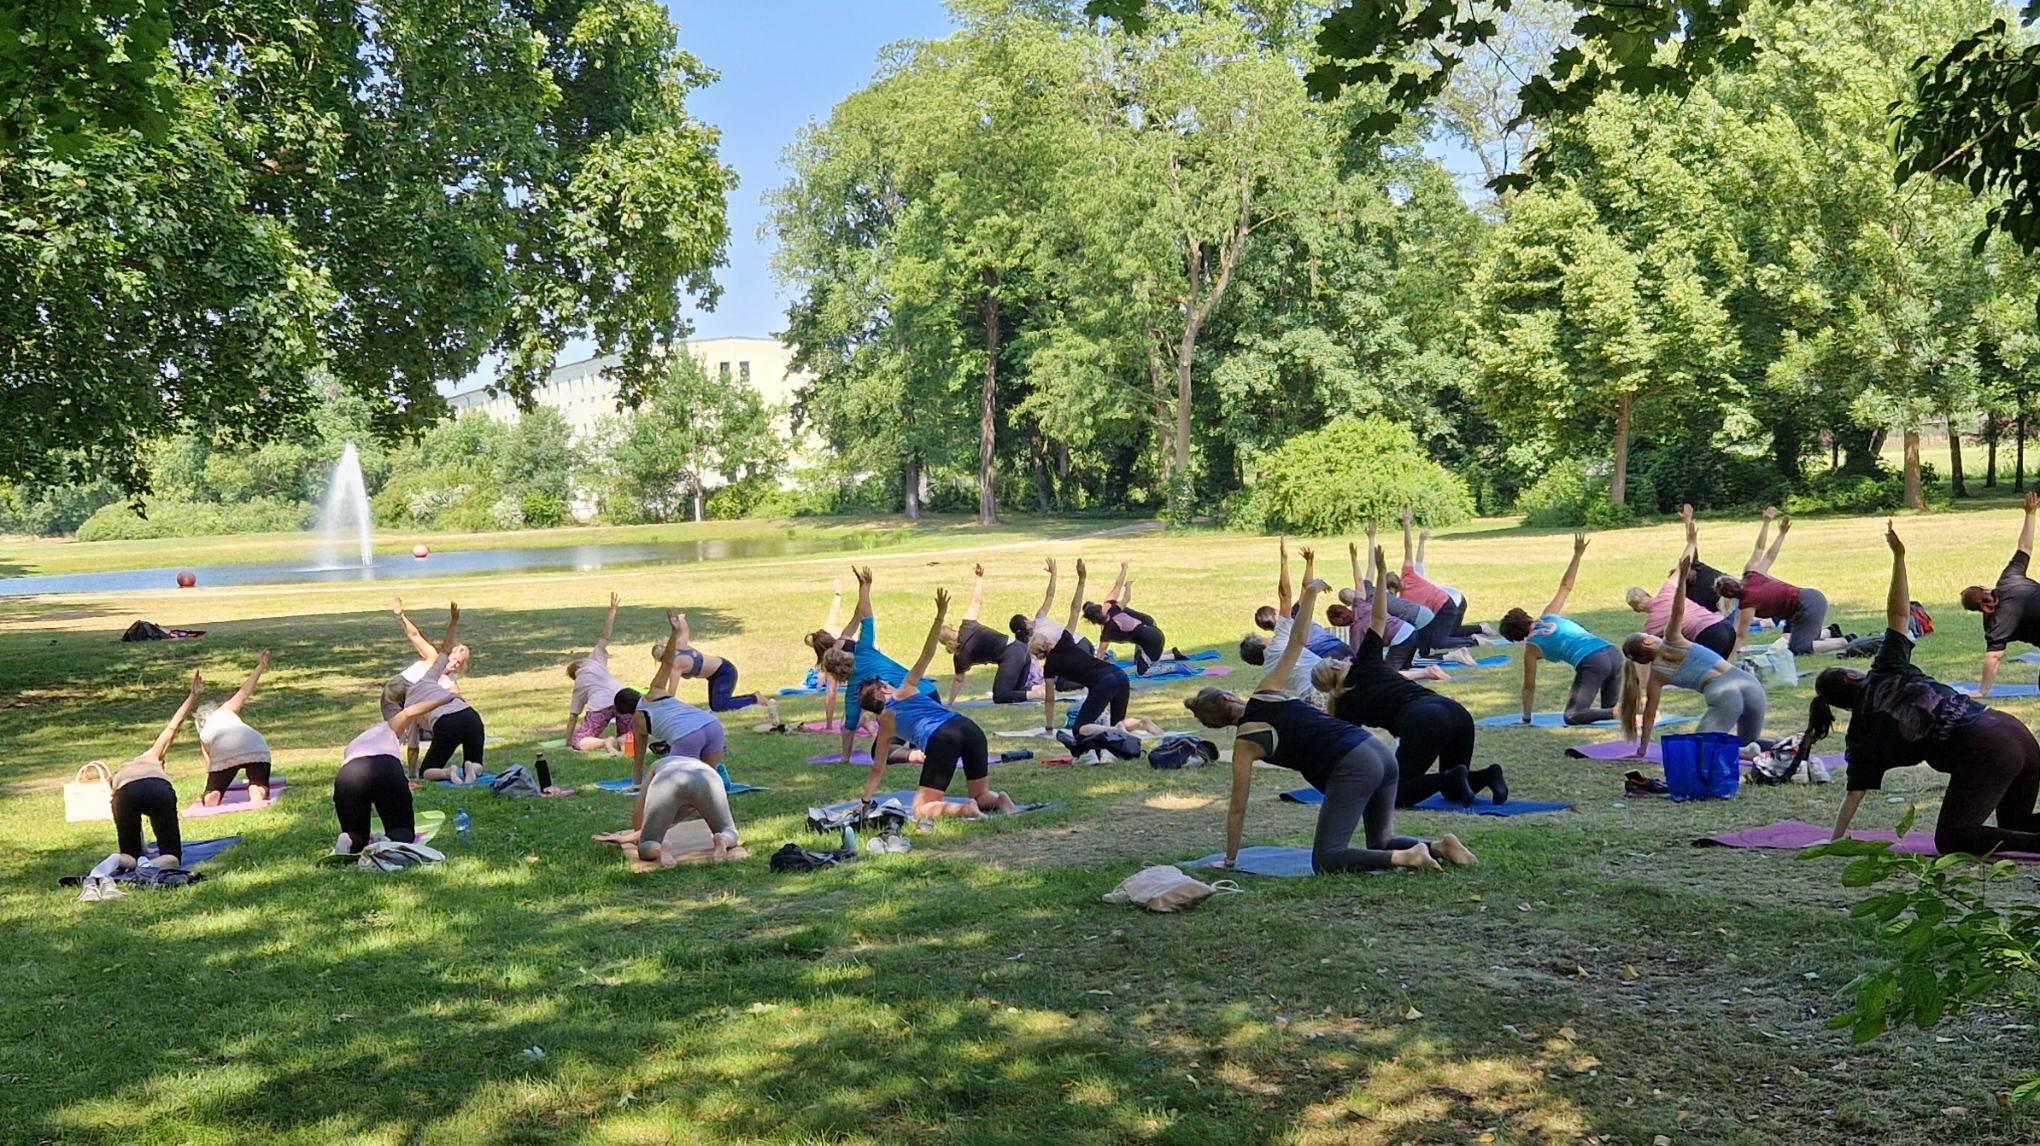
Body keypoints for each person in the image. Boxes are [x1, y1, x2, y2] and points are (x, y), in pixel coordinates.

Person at [1184, 576, 1477, 875]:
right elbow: (1297, 642)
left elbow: (1237, 808)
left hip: (1354, 765)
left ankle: (1409, 857)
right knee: (1381, 840)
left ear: (1220, 724)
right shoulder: (1267, 691)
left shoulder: (1244, 746)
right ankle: (1439, 847)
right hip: (1380, 753)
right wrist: (1310, 594)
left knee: (1326, 859)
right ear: (1229, 696)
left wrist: (1231, 859)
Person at [1808, 522, 2040, 857]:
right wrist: (1899, 557)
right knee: (2014, 821)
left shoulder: (1862, 735)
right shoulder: (1887, 666)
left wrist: (1835, 839)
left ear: (1843, 707)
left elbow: (1854, 794)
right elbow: (1899, 613)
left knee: (1953, 839)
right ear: (1855, 677)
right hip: (2015, 732)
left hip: (1990, 749)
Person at [1314, 545, 1505, 807]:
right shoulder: (1366, 661)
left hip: (1426, 721)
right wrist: (1381, 573)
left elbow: (1351, 749)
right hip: (1455, 711)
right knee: (1452, 791)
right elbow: (1379, 617)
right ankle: (1487, 775)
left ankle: (1452, 778)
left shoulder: (1345, 704)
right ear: (1335, 669)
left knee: (1392, 794)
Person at [858, 587, 1017, 821]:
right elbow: (927, 654)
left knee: (922, 808)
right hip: (968, 727)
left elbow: (877, 769)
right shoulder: (906, 689)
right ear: (884, 690)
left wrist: (865, 802)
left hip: (942, 738)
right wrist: (940, 616)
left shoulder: (885, 725)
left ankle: (966, 810)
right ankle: (999, 800)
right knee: (981, 793)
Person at [1619, 554, 1769, 758]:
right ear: (1647, 642)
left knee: (1702, 749)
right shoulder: (1672, 640)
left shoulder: (1657, 676)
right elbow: (1677, 610)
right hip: (1751, 686)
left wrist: (1643, 748)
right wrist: (1680, 581)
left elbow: (1649, 715)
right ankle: (1784, 747)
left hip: (1726, 694)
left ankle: (1742, 752)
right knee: (1753, 742)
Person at [1499, 532, 1622, 726]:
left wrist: (1526, 718)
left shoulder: (1531, 648)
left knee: (1573, 715)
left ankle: (1627, 710)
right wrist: (1577, 554)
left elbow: (1529, 686)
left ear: (1517, 637)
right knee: (1609, 711)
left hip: (1592, 660)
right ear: (1526, 617)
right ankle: (1637, 709)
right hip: (1612, 653)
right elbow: (1566, 586)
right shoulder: (1549, 614)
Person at [822, 566, 941, 765]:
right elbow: (867, 615)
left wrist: (845, 758)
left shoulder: (854, 691)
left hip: (911, 709)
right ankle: (922, 748)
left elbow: (849, 728)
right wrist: (865, 587)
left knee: (881, 751)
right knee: (919, 741)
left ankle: (917, 752)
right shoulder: (865, 648)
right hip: (930, 694)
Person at [1030, 559, 1151, 737]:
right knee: (1119, 729)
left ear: (1040, 656)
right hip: (1120, 675)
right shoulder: (1065, 640)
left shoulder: (1050, 667)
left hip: (1104, 683)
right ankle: (1144, 724)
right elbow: (1075, 610)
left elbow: (1050, 700)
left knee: (1080, 730)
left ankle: (1115, 729)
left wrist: (1049, 728)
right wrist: (1081, 580)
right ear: (1047, 643)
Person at [1715, 506, 1850, 657]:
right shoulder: (1752, 574)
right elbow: (1763, 552)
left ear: (1729, 597)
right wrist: (1776, 529)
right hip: (1807, 600)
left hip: (1807, 606)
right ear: (1735, 580)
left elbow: (1740, 635)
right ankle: (1831, 632)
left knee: (1798, 648)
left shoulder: (1747, 604)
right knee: (1788, 639)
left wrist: (1728, 659)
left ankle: (1846, 642)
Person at [335, 692, 459, 855]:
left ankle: (347, 839)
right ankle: (388, 841)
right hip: (385, 768)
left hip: (348, 775)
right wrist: (444, 699)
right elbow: (409, 712)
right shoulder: (388, 728)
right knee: (401, 829)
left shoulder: (356, 742)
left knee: (357, 833)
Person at [108, 671, 204, 872]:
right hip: (158, 790)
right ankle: (149, 866)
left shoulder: (118, 775)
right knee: (172, 858)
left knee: (129, 855)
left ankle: (120, 862)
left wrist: (138, 848)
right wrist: (193, 696)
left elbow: (126, 820)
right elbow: (173, 727)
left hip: (125, 793)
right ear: (163, 764)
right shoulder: (153, 756)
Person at [1625, 505, 1737, 658]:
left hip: (1711, 630)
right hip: (1724, 625)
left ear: (1636, 610)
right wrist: (1691, 538)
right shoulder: (1670, 591)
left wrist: (1689, 530)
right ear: (1647, 593)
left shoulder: (1651, 627)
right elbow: (1687, 558)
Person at [1961, 490, 2040, 697]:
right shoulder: (2008, 579)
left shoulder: (1995, 624)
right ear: (1985, 589)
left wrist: (1982, 691)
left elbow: (1994, 657)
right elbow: (2025, 547)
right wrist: (2030, 513)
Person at [402, 603, 486, 785]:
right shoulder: (428, 679)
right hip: (471, 716)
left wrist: (411, 774)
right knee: (476, 762)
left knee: (428, 771)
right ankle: (471, 768)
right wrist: (454, 621)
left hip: (447, 722)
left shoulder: (409, 710)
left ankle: (449, 772)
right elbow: (446, 650)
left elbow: (413, 747)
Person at [941, 564, 1042, 706]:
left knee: (1000, 696)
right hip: (1019, 649)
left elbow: (959, 680)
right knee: (1014, 691)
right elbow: (976, 601)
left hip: (1012, 655)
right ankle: (1039, 690)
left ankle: (1037, 693)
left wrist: (950, 703)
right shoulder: (967, 625)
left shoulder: (960, 658)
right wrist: (979, 578)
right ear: (954, 631)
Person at [652, 613, 782, 723]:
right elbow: (684, 629)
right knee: (715, 706)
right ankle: (754, 697)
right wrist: (680, 619)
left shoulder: (675, 666)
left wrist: (660, 709)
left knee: (720, 706)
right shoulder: (679, 645)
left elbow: (671, 694)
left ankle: (755, 698)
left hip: (724, 672)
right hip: (716, 673)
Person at [1398, 508, 1484, 667]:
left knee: (1439, 641)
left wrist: (1407, 524)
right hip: (1442, 607)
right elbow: (1412, 553)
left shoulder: (1409, 575)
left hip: (1446, 605)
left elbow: (1409, 550)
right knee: (1435, 640)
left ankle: (1472, 642)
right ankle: (1471, 639)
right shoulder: (1406, 585)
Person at [197, 650, 273, 806]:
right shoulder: (226, 710)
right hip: (255, 743)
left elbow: (210, 767)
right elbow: (244, 692)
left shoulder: (204, 734)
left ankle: (213, 795)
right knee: (259, 782)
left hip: (224, 749)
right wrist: (261, 666)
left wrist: (211, 785)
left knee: (213, 790)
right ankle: (257, 791)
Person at [1082, 561, 1183, 674]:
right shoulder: (1112, 609)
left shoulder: (1107, 632)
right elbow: (1124, 595)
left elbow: (1100, 655)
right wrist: (1127, 579)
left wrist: (1094, 672)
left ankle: (1174, 666)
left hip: (1148, 630)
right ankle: (1172, 655)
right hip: (1151, 632)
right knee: (1141, 658)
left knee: (1143, 671)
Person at [565, 593, 627, 752]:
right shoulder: (593, 660)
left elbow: (573, 716)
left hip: (601, 706)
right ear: (580, 664)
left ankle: (604, 742)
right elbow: (605, 636)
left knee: (579, 740)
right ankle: (621, 740)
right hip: (624, 698)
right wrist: (612, 612)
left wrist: (569, 742)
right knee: (629, 735)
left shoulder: (579, 685)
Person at [802, 579, 848, 729]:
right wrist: (838, 592)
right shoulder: (830, 628)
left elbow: (831, 695)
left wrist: (829, 725)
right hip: (873, 653)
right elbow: (834, 610)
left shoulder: (830, 660)